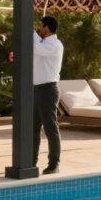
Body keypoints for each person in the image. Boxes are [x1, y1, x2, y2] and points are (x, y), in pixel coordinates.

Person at [33, 15, 64, 175]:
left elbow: (38, 50)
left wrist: (30, 32)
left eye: (41, 26)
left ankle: (54, 164)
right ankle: (31, 162)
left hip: (48, 90)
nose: (39, 28)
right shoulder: (41, 42)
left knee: (50, 128)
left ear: (47, 27)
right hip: (36, 90)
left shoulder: (55, 45)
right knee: (33, 129)